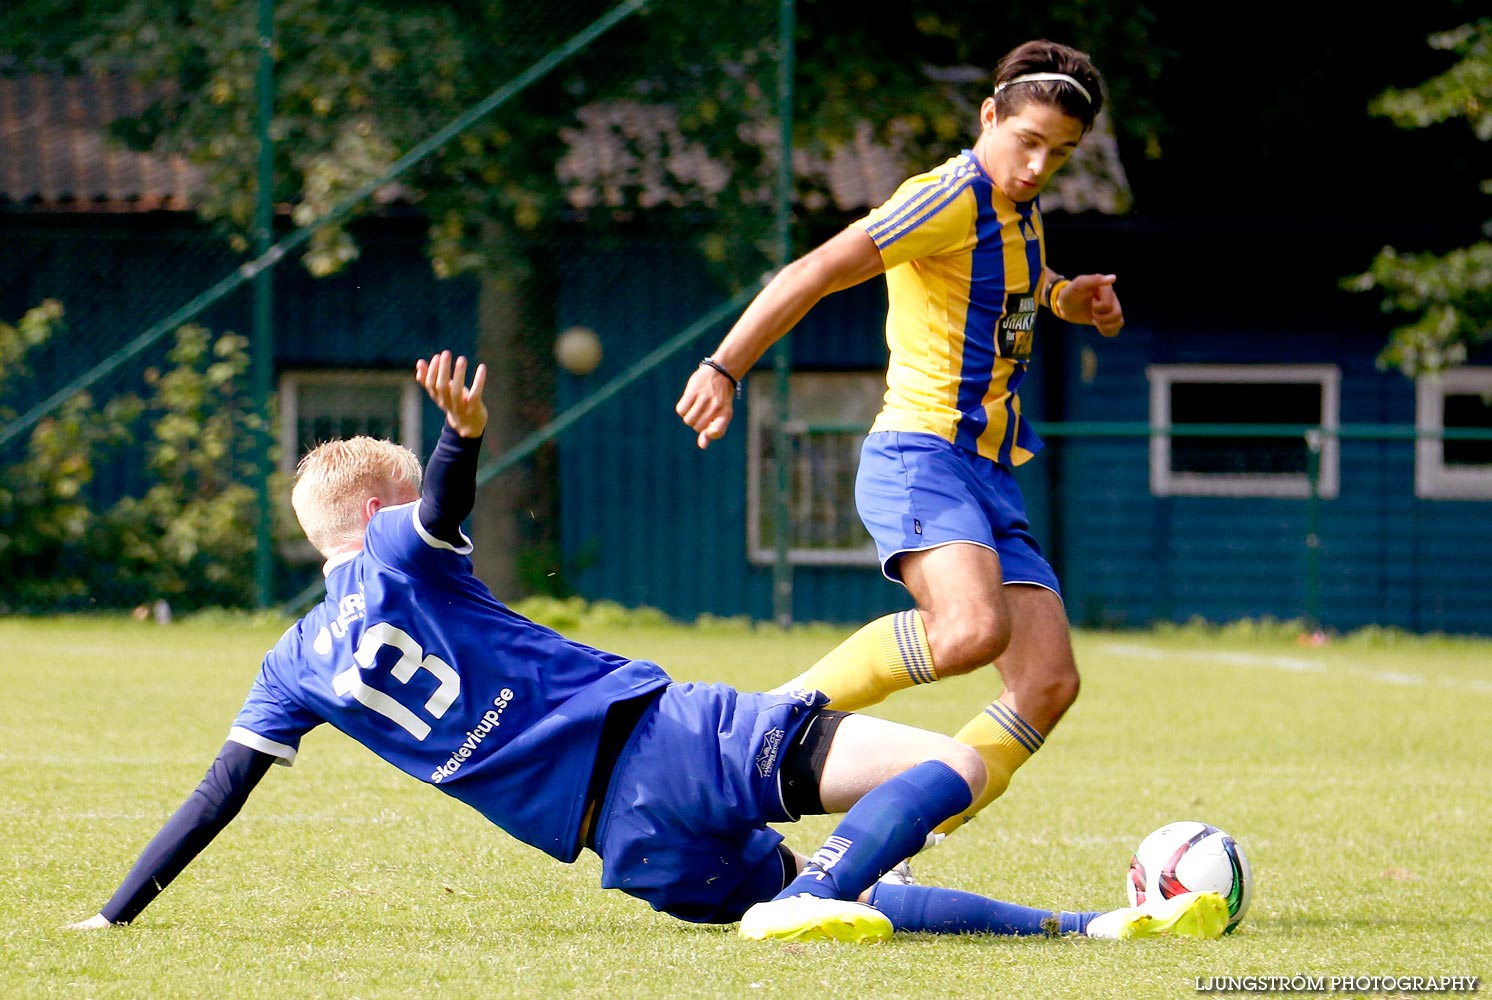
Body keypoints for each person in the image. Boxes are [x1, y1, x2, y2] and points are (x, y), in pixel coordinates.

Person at [65, 350, 1223, 944]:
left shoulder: (293, 661)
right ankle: (836, 880)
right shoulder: (400, 557)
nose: (447, 527)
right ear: (376, 521)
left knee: (846, 905)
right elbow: (433, 512)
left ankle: (1077, 930)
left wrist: (116, 913)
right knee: (940, 770)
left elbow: (218, 792)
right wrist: (460, 437)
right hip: (665, 739)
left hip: (621, 846)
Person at [675, 40, 1123, 837]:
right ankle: (764, 723)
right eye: (1026, 142)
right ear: (989, 116)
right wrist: (724, 366)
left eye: (1058, 153)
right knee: (969, 632)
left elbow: (1008, 291)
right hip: (920, 455)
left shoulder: (1020, 208)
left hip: (987, 472)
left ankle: (885, 840)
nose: (1036, 165)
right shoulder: (947, 195)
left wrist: (1066, 299)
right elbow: (815, 269)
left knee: (1048, 681)